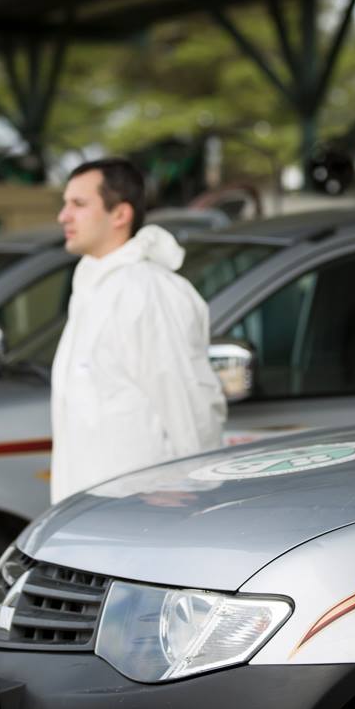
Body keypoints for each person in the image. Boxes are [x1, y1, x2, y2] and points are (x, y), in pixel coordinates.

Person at [50, 158, 226, 504]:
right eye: (65, 203)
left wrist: (194, 485)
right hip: (95, 512)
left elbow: (188, 398)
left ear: (120, 214)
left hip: (145, 511)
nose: (63, 216)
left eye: (79, 204)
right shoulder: (93, 288)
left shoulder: (147, 290)